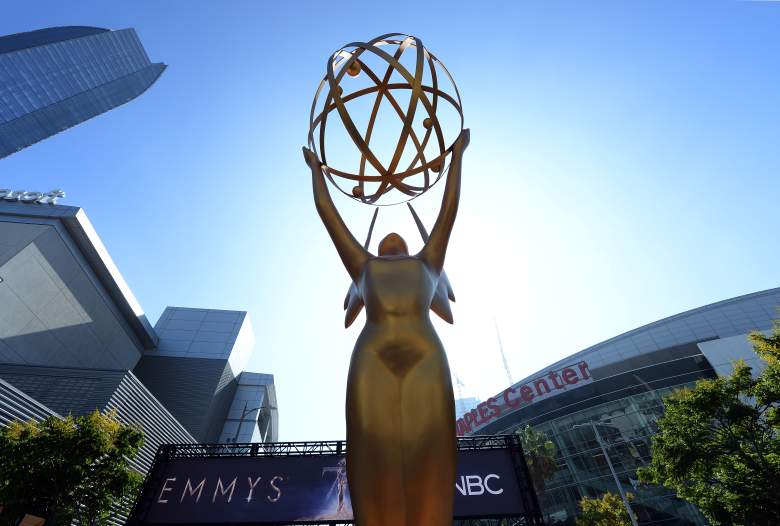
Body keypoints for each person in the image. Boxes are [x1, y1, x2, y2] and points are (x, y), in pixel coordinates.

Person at [302, 128, 469, 526]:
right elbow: (329, 214)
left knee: (432, 449)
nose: (393, 237)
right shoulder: (362, 266)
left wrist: (459, 155)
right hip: (372, 357)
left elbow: (450, 208)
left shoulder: (429, 261)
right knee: (370, 449)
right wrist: (315, 171)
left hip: (426, 354)